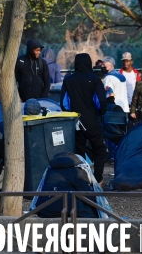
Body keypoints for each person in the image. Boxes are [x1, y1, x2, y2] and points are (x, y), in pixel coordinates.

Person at [60, 53, 107, 185]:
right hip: (92, 120)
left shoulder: (68, 80)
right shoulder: (94, 78)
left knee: (79, 152)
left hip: (75, 121)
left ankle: (81, 179)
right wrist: (101, 112)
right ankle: (98, 179)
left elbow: (64, 102)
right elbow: (101, 101)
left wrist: (70, 115)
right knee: (98, 149)